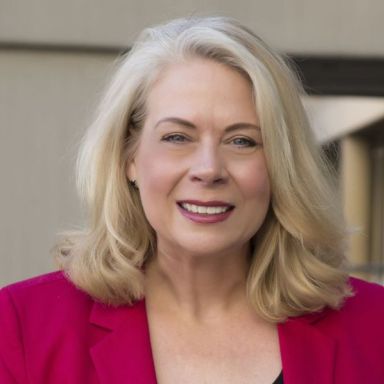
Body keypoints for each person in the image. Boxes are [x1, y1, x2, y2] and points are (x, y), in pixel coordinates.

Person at [0, 16, 383, 384]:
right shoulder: (22, 327)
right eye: (177, 137)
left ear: (279, 165)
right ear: (129, 156)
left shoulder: (374, 327)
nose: (209, 169)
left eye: (242, 141)